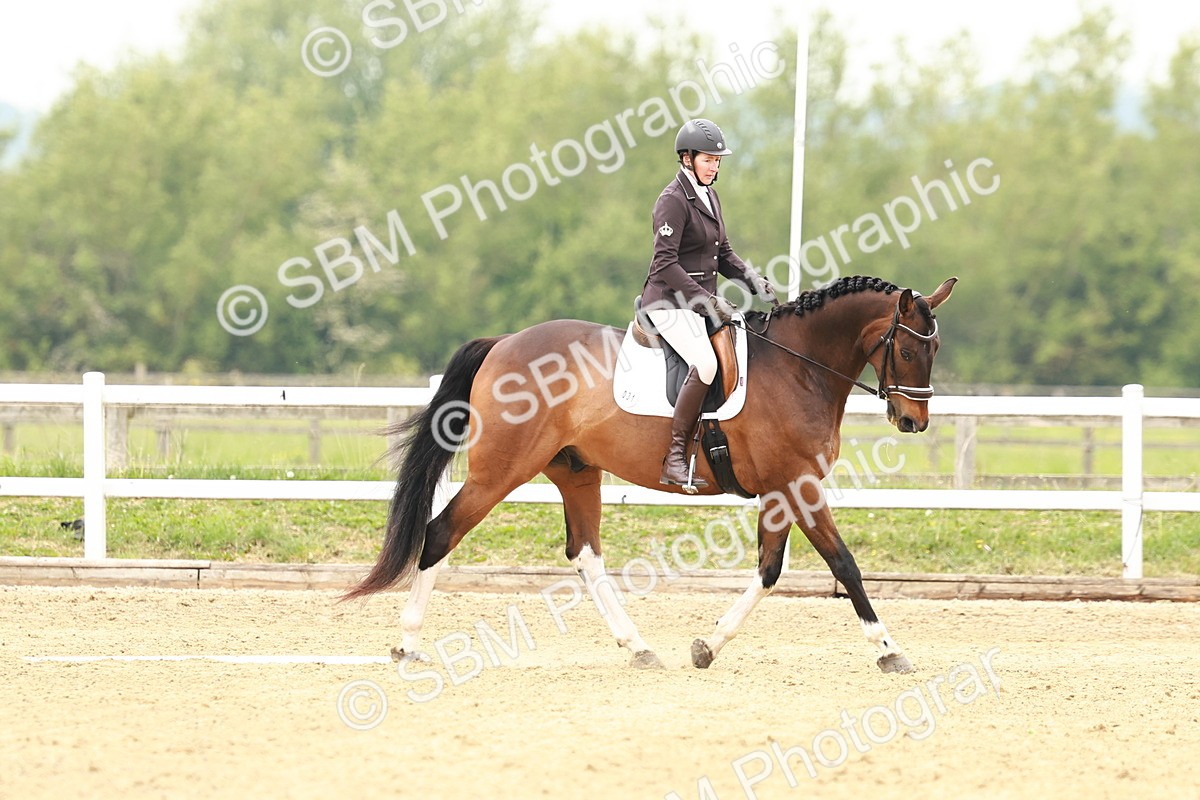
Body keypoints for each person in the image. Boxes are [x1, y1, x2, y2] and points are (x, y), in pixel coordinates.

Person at [641, 118, 778, 492]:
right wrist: (704, 300)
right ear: (687, 158)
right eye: (708, 159)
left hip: (700, 304)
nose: (714, 166)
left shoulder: (709, 196)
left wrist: (754, 282)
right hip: (668, 303)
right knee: (705, 363)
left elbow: (724, 253)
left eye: (717, 160)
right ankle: (674, 457)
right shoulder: (672, 200)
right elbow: (664, 264)